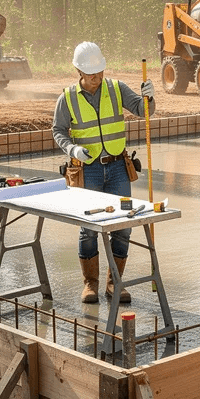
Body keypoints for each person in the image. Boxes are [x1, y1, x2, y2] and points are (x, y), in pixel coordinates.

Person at [52, 42, 156, 304]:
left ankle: (115, 283)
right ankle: (90, 284)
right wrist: (72, 149)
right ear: (78, 70)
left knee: (123, 226)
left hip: (118, 168)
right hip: (89, 171)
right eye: (91, 74)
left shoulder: (116, 88)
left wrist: (149, 97)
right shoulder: (68, 97)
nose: (97, 78)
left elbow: (145, 111)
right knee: (88, 229)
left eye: (99, 72)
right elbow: (58, 131)